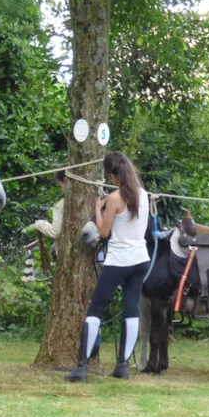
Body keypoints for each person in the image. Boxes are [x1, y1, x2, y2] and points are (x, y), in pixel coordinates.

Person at [67, 152, 149, 383]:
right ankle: (122, 366)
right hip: (140, 260)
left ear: (113, 175)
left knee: (96, 309)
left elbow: (103, 232)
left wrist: (97, 208)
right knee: (131, 309)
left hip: (118, 260)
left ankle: (82, 368)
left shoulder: (114, 198)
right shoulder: (144, 195)